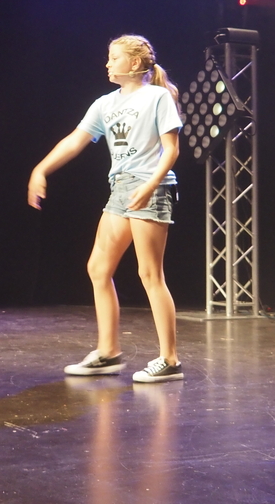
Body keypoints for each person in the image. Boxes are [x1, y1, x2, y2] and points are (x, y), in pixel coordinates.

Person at [27, 34, 184, 383]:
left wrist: (150, 185)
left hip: (150, 184)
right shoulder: (104, 103)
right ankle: (108, 352)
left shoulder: (157, 96)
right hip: (120, 187)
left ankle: (170, 360)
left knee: (149, 274)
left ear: (134, 63)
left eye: (114, 58)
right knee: (98, 268)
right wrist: (41, 169)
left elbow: (171, 149)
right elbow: (75, 140)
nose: (108, 63)